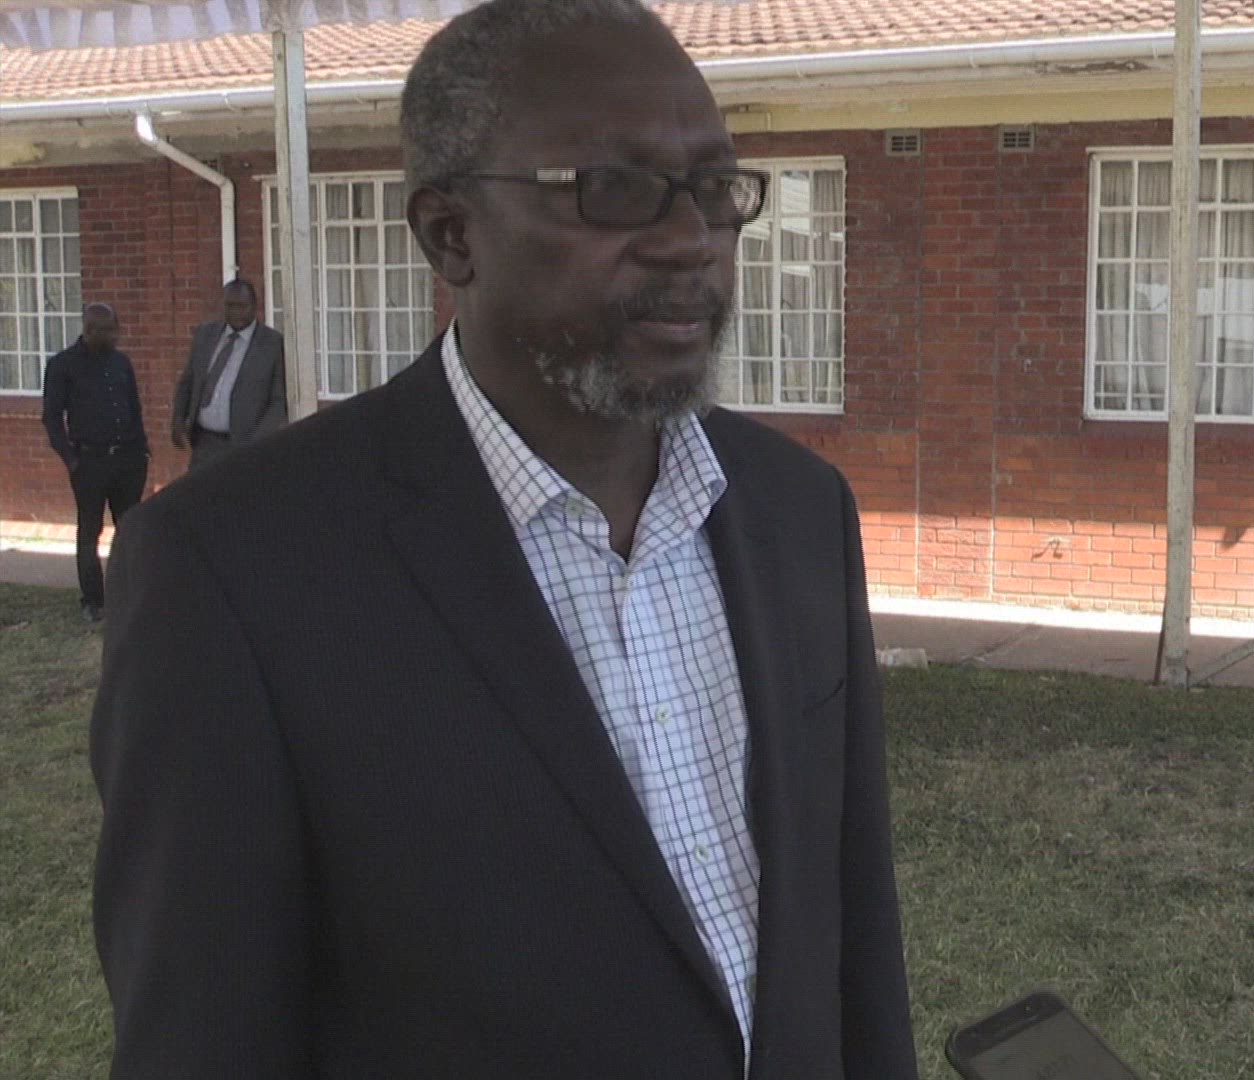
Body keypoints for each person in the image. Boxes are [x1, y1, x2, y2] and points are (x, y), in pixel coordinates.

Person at [89, 1, 917, 1077]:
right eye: (611, 188)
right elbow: (204, 1040)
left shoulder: (802, 513)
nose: (690, 241)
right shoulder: (230, 571)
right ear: (451, 234)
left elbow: (855, 951)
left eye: (715, 190)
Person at [42, 303, 148, 622]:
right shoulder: (63, 365)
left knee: (129, 529)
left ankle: (126, 594)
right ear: (90, 331)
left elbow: (134, 407)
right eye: (109, 331)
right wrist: (71, 459)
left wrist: (142, 450)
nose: (116, 336)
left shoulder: (121, 362)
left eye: (116, 329)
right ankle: (93, 600)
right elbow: (51, 418)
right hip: (89, 461)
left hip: (127, 458)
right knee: (90, 531)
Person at [170, 278, 287, 469]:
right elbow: (187, 382)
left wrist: (257, 443)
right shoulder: (205, 335)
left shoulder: (272, 344)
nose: (236, 312)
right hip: (204, 443)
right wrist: (178, 420)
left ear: (254, 306)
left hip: (244, 445)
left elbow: (278, 401)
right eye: (230, 306)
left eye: (242, 306)